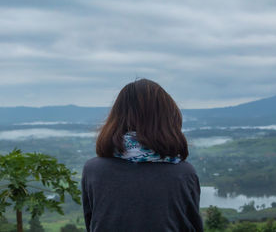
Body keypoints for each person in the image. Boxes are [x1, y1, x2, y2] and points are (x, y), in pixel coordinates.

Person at [81, 79, 203, 232]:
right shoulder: (183, 173)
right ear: (167, 119)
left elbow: (92, 224)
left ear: (116, 117)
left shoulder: (94, 170)